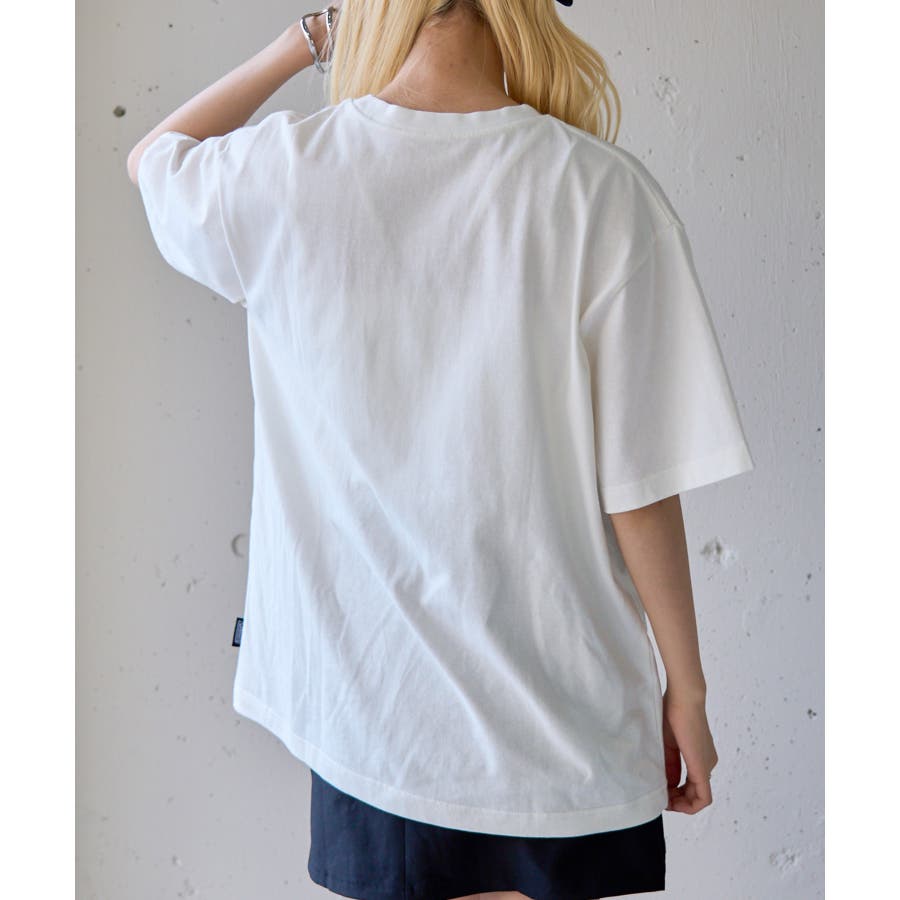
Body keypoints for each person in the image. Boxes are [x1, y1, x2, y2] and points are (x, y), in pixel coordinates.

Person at [127, 2, 755, 898]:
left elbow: (153, 159)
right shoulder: (600, 193)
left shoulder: (282, 174)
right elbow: (640, 484)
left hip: (372, 724)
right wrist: (686, 690)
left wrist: (308, 39)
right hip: (561, 724)